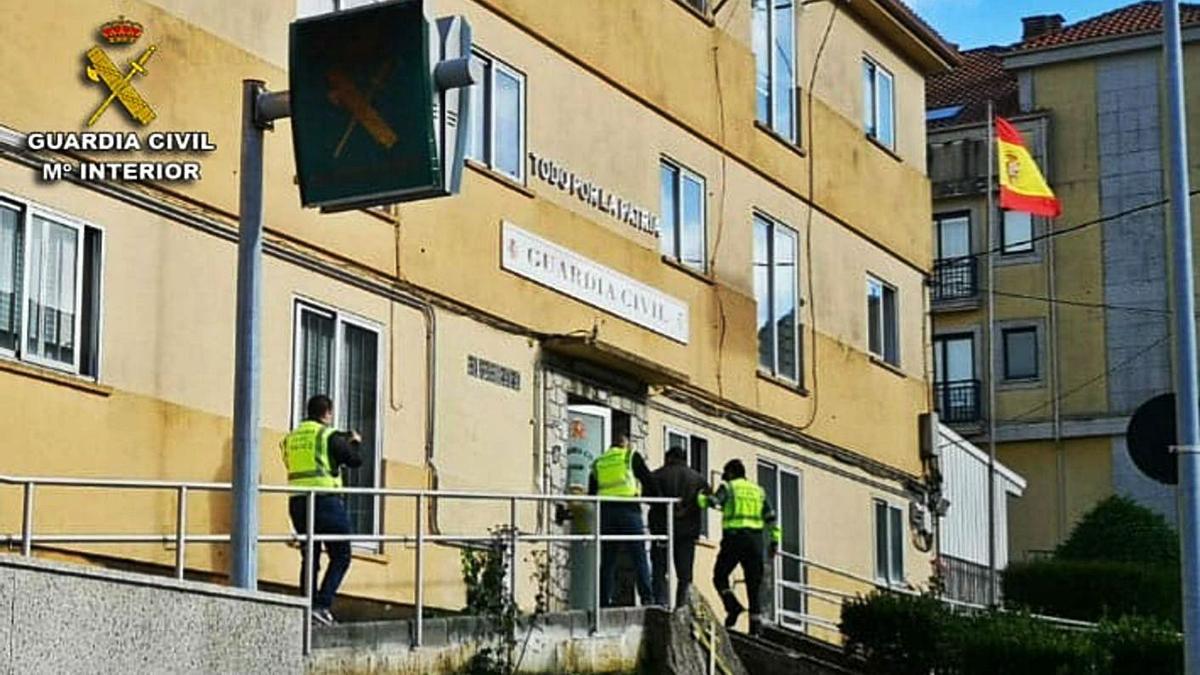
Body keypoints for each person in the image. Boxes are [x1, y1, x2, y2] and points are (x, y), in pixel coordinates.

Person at [281, 394, 362, 626]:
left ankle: (306, 606)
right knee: (341, 555)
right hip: (326, 502)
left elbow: (292, 463)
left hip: (298, 503)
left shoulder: (291, 438)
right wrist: (354, 441)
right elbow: (355, 460)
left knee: (310, 556)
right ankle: (322, 605)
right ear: (327, 413)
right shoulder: (328, 435)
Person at [702, 458, 780, 635]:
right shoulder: (758, 491)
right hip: (755, 541)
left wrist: (699, 498)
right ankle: (755, 629)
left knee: (720, 576)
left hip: (734, 539)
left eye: (725, 474)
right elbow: (771, 517)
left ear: (730, 473)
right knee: (754, 585)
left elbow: (713, 502)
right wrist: (774, 541)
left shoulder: (729, 487)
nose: (724, 477)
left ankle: (733, 606)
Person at [588, 433, 654, 607]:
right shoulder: (630, 456)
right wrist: (655, 500)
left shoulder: (599, 462)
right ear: (625, 444)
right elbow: (648, 480)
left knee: (608, 558)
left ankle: (603, 600)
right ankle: (647, 597)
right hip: (628, 509)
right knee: (638, 554)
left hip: (606, 511)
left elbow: (591, 493)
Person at [648, 444, 709, 607]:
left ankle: (660, 604)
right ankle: (681, 607)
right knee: (685, 574)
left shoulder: (656, 476)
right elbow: (706, 500)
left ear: (668, 458)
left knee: (659, 570)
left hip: (662, 529)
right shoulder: (698, 479)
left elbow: (648, 498)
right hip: (686, 533)